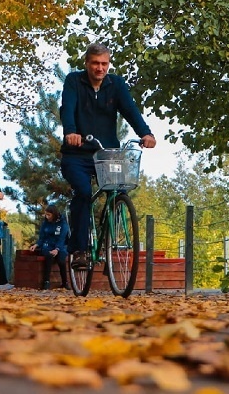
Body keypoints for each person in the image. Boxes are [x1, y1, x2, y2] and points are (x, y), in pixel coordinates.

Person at [60, 42, 156, 269]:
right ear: (86, 63)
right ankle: (80, 250)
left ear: (108, 64)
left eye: (104, 63)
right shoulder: (74, 81)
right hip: (77, 153)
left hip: (107, 154)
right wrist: (71, 132)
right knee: (83, 193)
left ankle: (109, 238)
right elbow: (67, 108)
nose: (100, 68)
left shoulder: (116, 84)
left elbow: (130, 110)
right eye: (95, 63)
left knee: (118, 190)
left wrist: (146, 133)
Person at [29, 204, 69, 290]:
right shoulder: (45, 223)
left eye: (49, 215)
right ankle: (46, 282)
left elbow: (62, 238)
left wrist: (57, 249)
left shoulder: (62, 223)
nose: (47, 217)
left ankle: (65, 282)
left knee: (61, 258)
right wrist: (36, 245)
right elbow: (42, 237)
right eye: (46, 214)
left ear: (54, 214)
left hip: (59, 246)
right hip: (47, 245)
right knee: (49, 256)